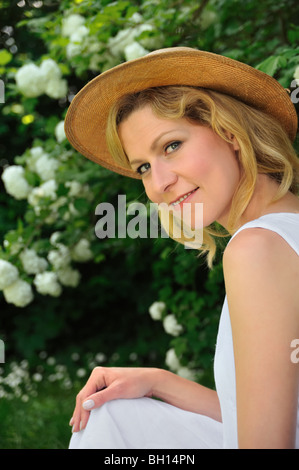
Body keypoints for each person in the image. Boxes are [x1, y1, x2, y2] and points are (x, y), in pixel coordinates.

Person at [64, 47, 299, 449]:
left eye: (171, 146)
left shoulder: (257, 249)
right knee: (113, 412)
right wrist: (159, 380)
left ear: (228, 131)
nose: (158, 185)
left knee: (106, 424)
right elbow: (276, 417)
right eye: (143, 168)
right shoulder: (283, 232)